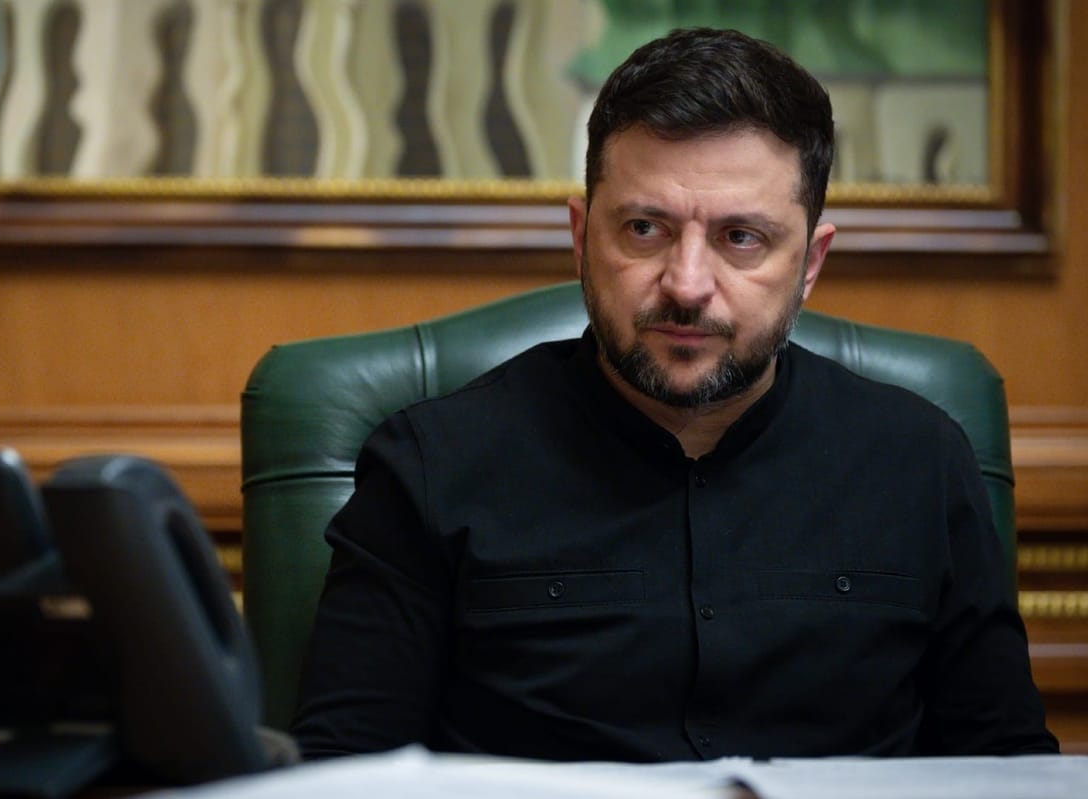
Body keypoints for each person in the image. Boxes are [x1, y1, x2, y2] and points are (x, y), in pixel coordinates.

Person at [290, 27, 1058, 761]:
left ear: (810, 263)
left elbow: (1006, 770)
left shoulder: (919, 462)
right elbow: (342, 775)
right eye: (645, 229)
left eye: (741, 238)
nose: (687, 285)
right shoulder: (430, 467)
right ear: (581, 237)